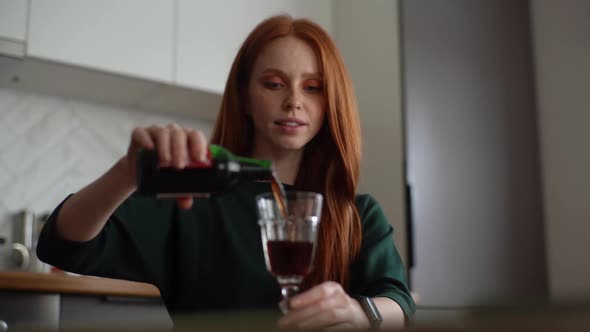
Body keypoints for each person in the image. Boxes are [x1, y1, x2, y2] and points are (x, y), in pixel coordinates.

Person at [37, 15, 415, 330]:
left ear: (331, 103)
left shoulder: (359, 215)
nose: (294, 101)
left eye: (313, 88)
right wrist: (127, 171)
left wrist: (358, 313)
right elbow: (62, 245)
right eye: (273, 84)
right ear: (245, 97)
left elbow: (400, 303)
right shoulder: (191, 199)